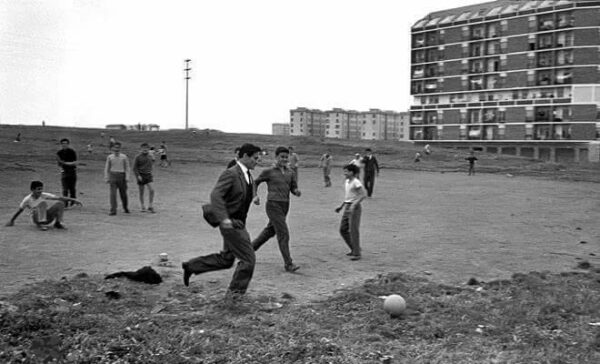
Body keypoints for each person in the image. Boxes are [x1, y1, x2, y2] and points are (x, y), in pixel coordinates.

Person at [182, 143, 262, 299]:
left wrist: (254, 196)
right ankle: (233, 299)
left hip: (238, 222)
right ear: (245, 156)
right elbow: (216, 195)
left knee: (226, 260)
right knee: (248, 259)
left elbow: (246, 190)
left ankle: (191, 266)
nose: (257, 161)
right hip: (231, 224)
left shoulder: (247, 175)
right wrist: (224, 219)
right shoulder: (231, 173)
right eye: (255, 158)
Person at [251, 146, 301, 273]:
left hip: (285, 205)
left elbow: (293, 188)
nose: (284, 159)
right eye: (281, 157)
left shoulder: (291, 172)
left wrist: (296, 191)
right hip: (273, 205)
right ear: (276, 157)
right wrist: (255, 196)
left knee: (269, 231)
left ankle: (247, 252)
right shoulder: (269, 171)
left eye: (286, 157)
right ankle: (288, 264)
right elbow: (255, 183)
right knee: (283, 233)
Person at [5, 180, 82, 230]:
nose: (40, 191)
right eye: (38, 189)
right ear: (32, 190)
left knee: (60, 203)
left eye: (41, 189)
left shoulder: (44, 195)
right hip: (37, 218)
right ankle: (40, 224)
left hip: (47, 217)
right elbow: (20, 210)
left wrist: (73, 200)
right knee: (42, 204)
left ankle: (58, 223)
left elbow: (59, 197)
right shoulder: (27, 199)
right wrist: (12, 221)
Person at [334, 164, 366, 261]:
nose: (345, 173)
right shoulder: (347, 182)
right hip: (347, 206)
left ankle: (357, 253)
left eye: (347, 171)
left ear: (352, 172)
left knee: (353, 230)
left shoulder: (356, 182)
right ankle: (354, 248)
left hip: (354, 208)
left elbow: (363, 195)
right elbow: (348, 196)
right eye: (344, 171)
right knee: (343, 229)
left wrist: (354, 204)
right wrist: (341, 206)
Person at [104, 142, 131, 215]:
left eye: (118, 148)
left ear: (120, 148)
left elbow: (127, 167)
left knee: (123, 194)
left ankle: (125, 207)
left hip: (121, 175)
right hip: (113, 175)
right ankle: (113, 209)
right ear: (112, 148)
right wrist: (106, 177)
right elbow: (107, 168)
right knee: (113, 194)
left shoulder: (124, 157)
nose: (116, 149)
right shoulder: (110, 157)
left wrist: (127, 177)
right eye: (115, 148)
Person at [133, 143, 156, 213]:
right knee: (141, 192)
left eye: (146, 148)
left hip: (148, 175)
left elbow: (152, 163)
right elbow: (134, 168)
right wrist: (138, 176)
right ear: (140, 149)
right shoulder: (138, 157)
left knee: (152, 190)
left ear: (149, 149)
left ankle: (150, 206)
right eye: (143, 148)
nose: (145, 149)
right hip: (141, 175)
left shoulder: (150, 156)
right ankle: (142, 206)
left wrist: (153, 158)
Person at [56, 138, 78, 207]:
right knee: (65, 189)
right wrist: (61, 163)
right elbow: (59, 164)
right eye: (63, 144)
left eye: (65, 144)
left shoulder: (72, 152)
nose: (64, 145)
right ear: (61, 144)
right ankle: (65, 203)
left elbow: (75, 163)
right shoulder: (59, 153)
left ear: (68, 144)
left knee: (72, 188)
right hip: (64, 172)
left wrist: (65, 163)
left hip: (72, 171)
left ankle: (73, 202)